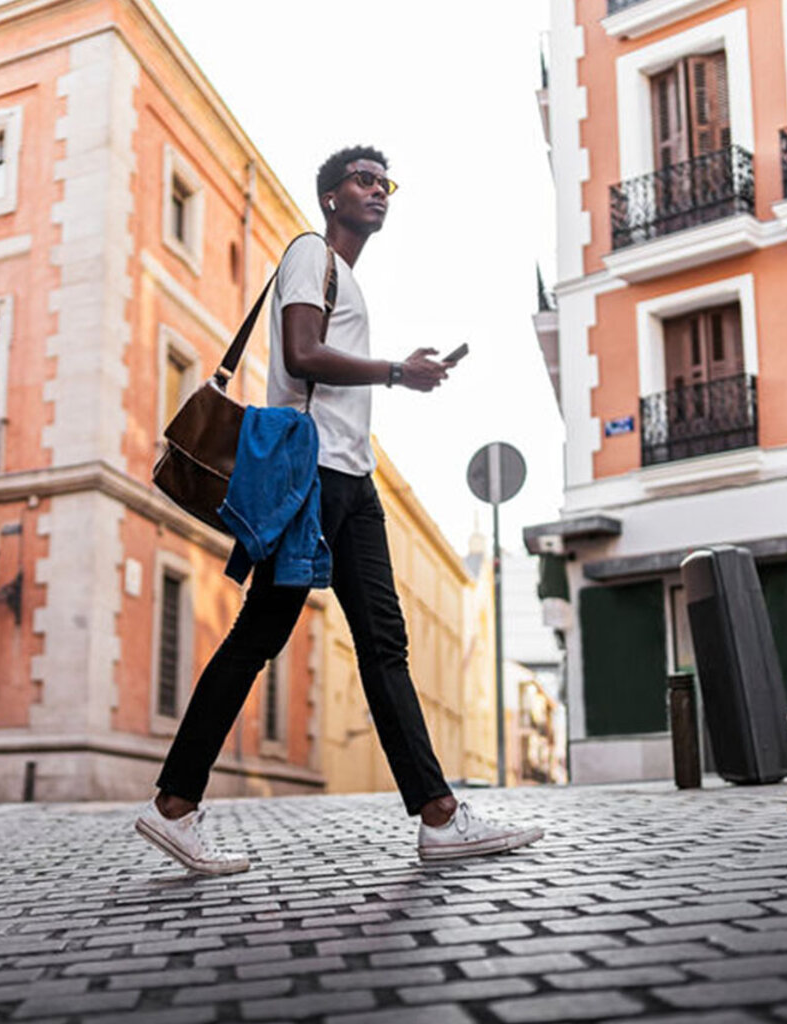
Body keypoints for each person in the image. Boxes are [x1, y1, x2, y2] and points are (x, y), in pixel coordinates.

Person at [135, 146, 543, 875]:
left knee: (382, 645)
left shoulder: (347, 278)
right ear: (331, 196)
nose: (379, 190)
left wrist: (397, 371)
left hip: (354, 479)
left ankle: (438, 816)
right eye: (363, 179)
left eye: (386, 183)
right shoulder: (309, 254)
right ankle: (174, 804)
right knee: (259, 636)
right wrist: (397, 371)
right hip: (313, 477)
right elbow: (301, 354)